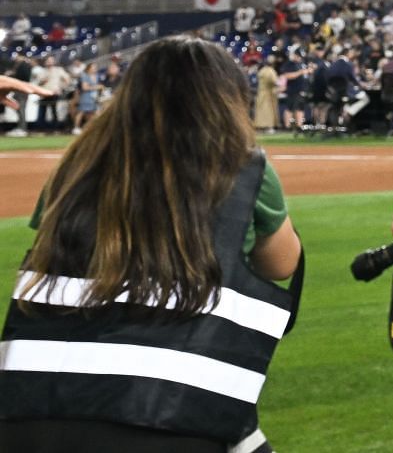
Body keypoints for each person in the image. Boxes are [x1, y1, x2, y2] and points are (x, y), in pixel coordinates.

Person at [0, 36, 302, 450]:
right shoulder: (244, 167)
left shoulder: (78, 163)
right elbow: (282, 264)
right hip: (171, 408)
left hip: (32, 404)